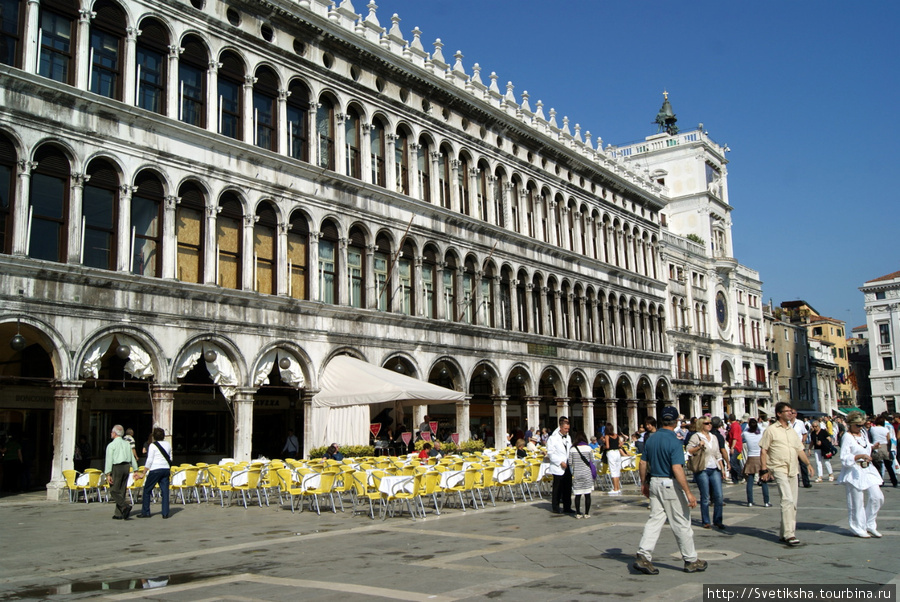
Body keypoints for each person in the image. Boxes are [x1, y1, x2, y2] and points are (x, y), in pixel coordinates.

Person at [634, 406, 707, 575]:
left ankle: (643, 555)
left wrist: (643, 483)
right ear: (675, 422)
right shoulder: (675, 441)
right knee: (681, 522)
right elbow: (677, 468)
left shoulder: (651, 439)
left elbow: (643, 463)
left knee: (655, 519)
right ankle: (691, 560)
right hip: (669, 484)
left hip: (654, 483)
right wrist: (688, 492)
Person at [759, 402, 813, 546]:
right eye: (787, 411)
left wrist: (808, 464)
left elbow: (799, 449)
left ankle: (784, 532)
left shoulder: (791, 430)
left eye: (791, 411)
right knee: (787, 499)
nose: (791, 413)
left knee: (793, 502)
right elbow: (763, 450)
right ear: (779, 413)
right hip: (778, 467)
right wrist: (764, 469)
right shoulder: (771, 430)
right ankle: (790, 534)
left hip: (793, 468)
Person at [837, 411, 884, 537]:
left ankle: (870, 523)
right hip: (854, 470)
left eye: (862, 425)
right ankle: (857, 527)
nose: (860, 427)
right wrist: (859, 456)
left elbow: (865, 445)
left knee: (877, 497)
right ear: (850, 424)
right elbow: (844, 457)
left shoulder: (863, 433)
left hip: (867, 469)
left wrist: (873, 447)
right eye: (857, 425)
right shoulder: (847, 437)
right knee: (856, 501)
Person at [687, 417, 728, 529]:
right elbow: (688, 450)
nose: (709, 425)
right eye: (706, 423)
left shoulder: (714, 437)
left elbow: (718, 454)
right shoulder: (696, 436)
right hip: (702, 468)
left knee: (719, 496)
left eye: (710, 423)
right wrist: (699, 446)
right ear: (701, 425)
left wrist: (722, 469)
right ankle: (706, 521)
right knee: (705, 496)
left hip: (714, 467)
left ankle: (718, 520)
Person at [135, 427, 172, 519]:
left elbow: (149, 460)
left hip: (155, 469)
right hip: (165, 469)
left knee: (147, 490)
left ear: (154, 436)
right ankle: (165, 513)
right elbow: (170, 458)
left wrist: (143, 472)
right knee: (165, 491)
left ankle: (146, 512)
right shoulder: (168, 445)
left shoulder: (152, 446)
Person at [104, 425, 138, 520]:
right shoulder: (127, 444)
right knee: (122, 489)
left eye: (111, 432)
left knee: (114, 490)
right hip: (126, 466)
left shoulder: (111, 445)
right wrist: (135, 469)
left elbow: (109, 460)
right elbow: (132, 457)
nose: (111, 434)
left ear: (114, 433)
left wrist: (108, 473)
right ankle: (119, 513)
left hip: (117, 467)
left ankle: (124, 506)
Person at [546, 416, 573, 514]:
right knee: (557, 488)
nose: (567, 431)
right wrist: (560, 462)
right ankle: (555, 507)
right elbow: (550, 453)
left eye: (568, 429)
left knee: (567, 487)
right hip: (558, 466)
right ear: (560, 428)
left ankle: (567, 506)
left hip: (568, 466)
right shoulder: (553, 438)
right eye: (565, 429)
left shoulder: (568, 437)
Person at [741, 418, 770, 507]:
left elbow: (743, 433)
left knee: (750, 480)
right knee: (763, 480)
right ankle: (766, 501)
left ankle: (750, 501)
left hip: (751, 457)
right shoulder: (761, 432)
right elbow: (763, 428)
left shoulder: (746, 433)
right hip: (760, 456)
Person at [568, 431, 594, 519]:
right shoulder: (588, 448)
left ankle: (578, 513)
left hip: (577, 473)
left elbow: (570, 462)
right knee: (587, 494)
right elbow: (592, 460)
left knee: (577, 494)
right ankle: (586, 513)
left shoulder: (572, 449)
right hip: (587, 473)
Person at [869, 416, 898, 487]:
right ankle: (894, 481)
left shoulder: (872, 429)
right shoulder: (885, 430)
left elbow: (869, 438)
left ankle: (880, 481)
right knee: (889, 466)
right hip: (885, 447)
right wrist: (889, 449)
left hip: (876, 446)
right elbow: (889, 440)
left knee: (877, 466)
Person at [790, 409, 811, 488]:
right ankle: (795, 482)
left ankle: (806, 482)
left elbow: (804, 433)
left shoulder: (800, 423)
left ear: (796, 414)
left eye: (793, 413)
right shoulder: (787, 423)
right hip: (791, 447)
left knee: (803, 464)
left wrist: (803, 442)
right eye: (790, 413)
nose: (791, 414)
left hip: (799, 447)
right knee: (793, 465)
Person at [603, 425, 627, 495]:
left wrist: (603, 447)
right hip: (617, 452)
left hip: (611, 453)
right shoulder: (616, 435)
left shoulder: (607, 436)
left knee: (613, 470)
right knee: (617, 470)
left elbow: (607, 446)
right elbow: (620, 445)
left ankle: (615, 488)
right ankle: (618, 487)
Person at [726, 414, 744, 483]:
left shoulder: (735, 426)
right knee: (735, 462)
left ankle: (741, 475)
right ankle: (734, 479)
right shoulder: (733, 426)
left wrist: (732, 447)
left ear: (729, 419)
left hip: (736, 446)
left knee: (733, 462)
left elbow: (735, 438)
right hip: (734, 446)